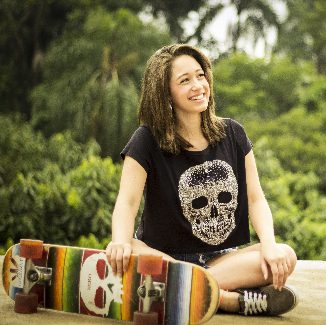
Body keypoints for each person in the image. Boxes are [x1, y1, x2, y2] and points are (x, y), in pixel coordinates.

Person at [106, 44, 298, 316]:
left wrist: (269, 245)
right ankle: (225, 299)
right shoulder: (147, 140)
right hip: (163, 259)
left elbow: (255, 197)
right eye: (185, 81)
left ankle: (180, 289)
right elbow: (126, 202)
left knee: (285, 255)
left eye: (200, 75)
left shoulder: (233, 133)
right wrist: (120, 242)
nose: (198, 85)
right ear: (165, 94)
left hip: (222, 260)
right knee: (127, 250)